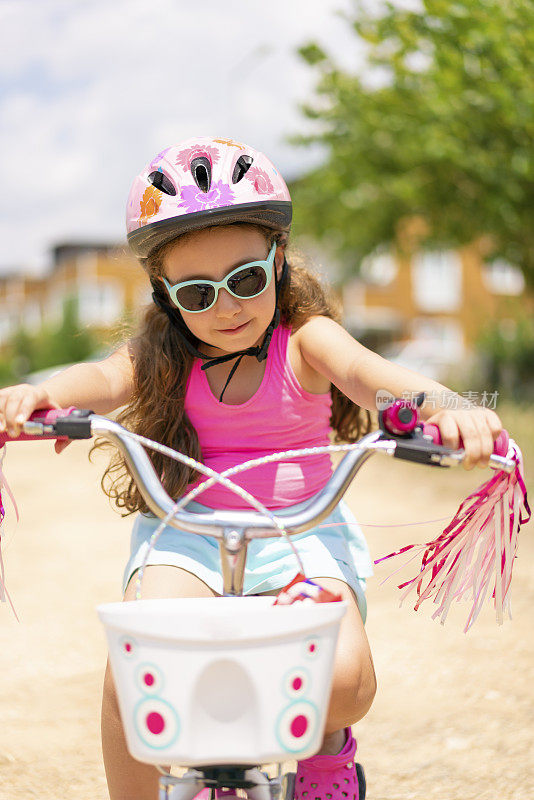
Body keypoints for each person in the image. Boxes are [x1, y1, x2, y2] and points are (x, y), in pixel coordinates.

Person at [0, 137, 503, 800]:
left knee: (346, 680)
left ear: (279, 260)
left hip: (302, 534)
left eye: (245, 281)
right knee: (137, 672)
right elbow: (100, 375)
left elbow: (368, 374)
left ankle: (325, 749)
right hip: (187, 536)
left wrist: (441, 406)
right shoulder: (163, 352)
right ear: (164, 293)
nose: (227, 307)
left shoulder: (306, 339)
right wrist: (44, 396)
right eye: (197, 292)